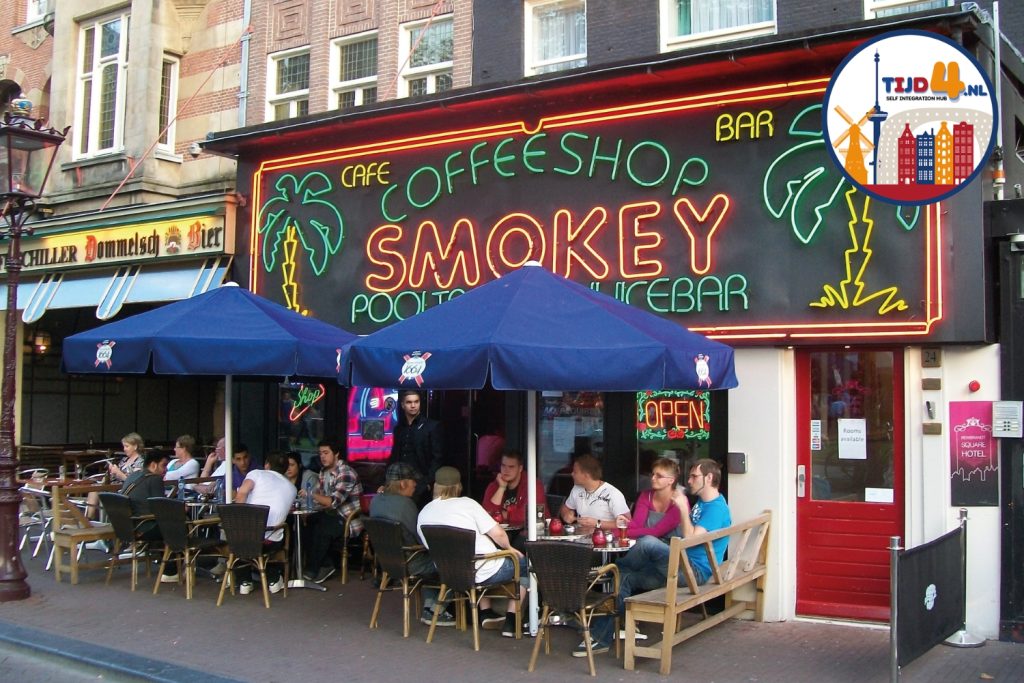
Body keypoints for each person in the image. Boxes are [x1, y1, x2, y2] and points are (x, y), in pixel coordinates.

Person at [581, 458, 731, 657]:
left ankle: (609, 570)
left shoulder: (715, 508)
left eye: (694, 476)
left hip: (693, 572)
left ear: (709, 478)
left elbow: (691, 539)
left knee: (648, 543)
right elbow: (639, 525)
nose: (689, 480)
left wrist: (683, 509)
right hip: (678, 565)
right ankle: (601, 638)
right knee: (623, 577)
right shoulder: (704, 503)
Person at [417, 466, 528, 638]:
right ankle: (511, 621)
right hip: (483, 571)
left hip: (450, 574)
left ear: (435, 486)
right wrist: (509, 549)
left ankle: (486, 613)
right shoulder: (467, 504)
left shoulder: (424, 513)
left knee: (476, 558)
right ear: (458, 486)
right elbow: (498, 534)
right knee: (525, 565)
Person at [369, 462, 455, 626]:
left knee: (432, 559)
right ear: (403, 483)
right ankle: (437, 610)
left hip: (388, 562)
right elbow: (421, 537)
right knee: (451, 563)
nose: (416, 485)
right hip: (411, 563)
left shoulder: (375, 501)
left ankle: (430, 609)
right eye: (413, 481)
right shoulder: (405, 505)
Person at [232, 451, 296, 596]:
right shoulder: (292, 489)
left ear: (266, 464)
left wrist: (238, 522)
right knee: (281, 532)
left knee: (239, 536)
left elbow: (242, 493)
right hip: (270, 542)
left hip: (247, 539)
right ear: (285, 469)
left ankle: (244, 582)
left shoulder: (257, 474)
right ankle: (273, 579)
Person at [304, 440, 363, 584]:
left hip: (347, 518)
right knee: (306, 522)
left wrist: (311, 494)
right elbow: (320, 498)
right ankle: (326, 564)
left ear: (336, 454)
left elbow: (332, 501)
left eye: (326, 453)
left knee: (322, 526)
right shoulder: (323, 472)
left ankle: (314, 568)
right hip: (330, 514)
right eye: (320, 454)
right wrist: (314, 498)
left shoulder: (346, 473)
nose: (322, 457)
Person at [389, 390, 442, 505]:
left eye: (416, 402)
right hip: (400, 482)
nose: (413, 405)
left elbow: (437, 458)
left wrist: (428, 482)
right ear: (403, 405)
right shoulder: (399, 428)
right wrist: (388, 481)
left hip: (420, 482)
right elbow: (395, 455)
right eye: (409, 402)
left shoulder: (431, 426)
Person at [558, 453, 630, 533]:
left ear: (586, 475)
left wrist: (597, 523)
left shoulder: (613, 493)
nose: (572, 474)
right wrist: (566, 514)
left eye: (575, 472)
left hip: (605, 540)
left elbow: (626, 522)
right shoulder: (577, 489)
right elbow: (565, 508)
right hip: (580, 539)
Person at [622, 457, 683, 541]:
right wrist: (621, 524)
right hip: (645, 541)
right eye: (653, 474)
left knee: (647, 542)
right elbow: (637, 525)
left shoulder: (680, 501)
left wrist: (623, 533)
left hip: (673, 548)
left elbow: (657, 531)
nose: (653, 478)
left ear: (671, 480)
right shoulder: (646, 495)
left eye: (659, 476)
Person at [482, 450, 546, 529]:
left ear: (520, 468)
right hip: (500, 533)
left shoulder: (533, 485)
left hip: (529, 533)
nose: (506, 470)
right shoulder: (494, 485)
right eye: (503, 466)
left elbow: (529, 515)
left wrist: (504, 515)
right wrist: (501, 488)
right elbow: (486, 514)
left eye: (511, 467)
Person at [119, 450, 170, 541]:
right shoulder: (155, 479)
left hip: (126, 526)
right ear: (154, 465)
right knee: (181, 522)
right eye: (164, 465)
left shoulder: (133, 475)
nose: (166, 469)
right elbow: (161, 508)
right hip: (145, 528)